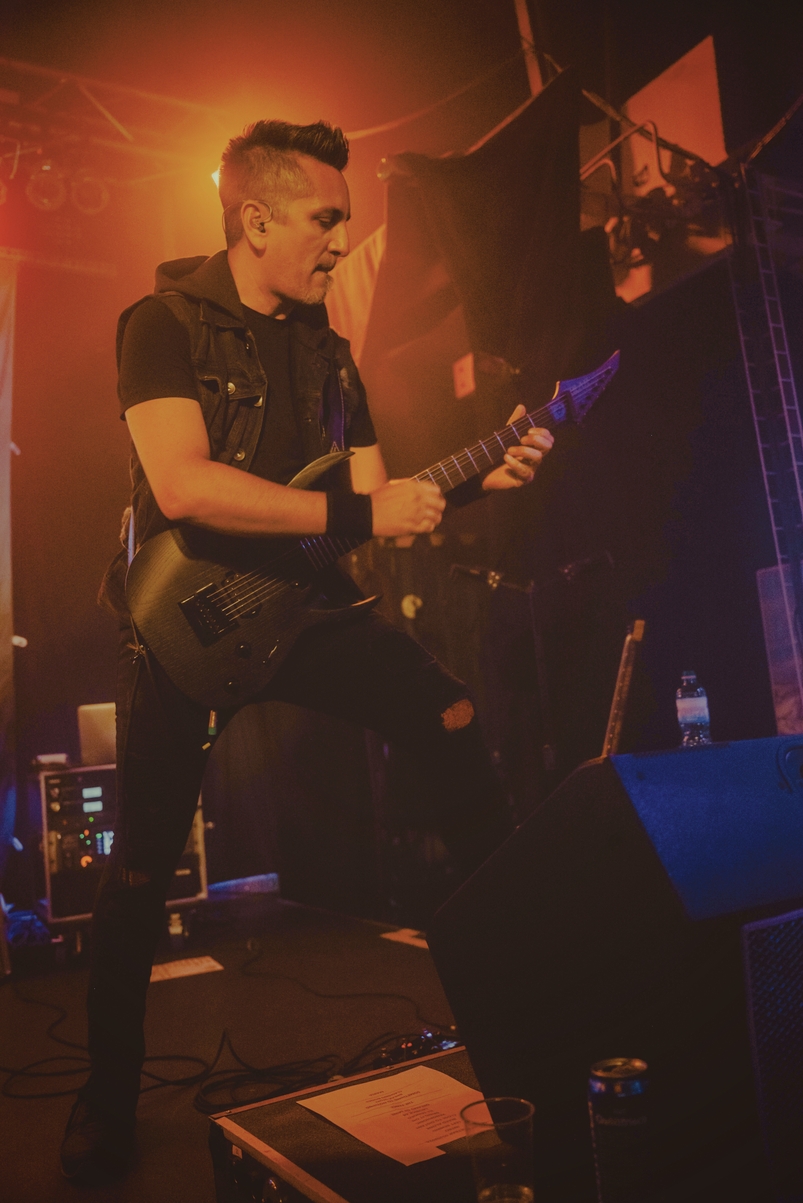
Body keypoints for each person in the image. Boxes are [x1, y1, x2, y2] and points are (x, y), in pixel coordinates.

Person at [60, 119, 554, 1185]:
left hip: (310, 611)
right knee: (140, 871)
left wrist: (477, 477)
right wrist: (368, 514)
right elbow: (185, 485)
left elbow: (372, 495)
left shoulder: (329, 346)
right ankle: (105, 1097)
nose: (341, 239)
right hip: (189, 624)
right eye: (326, 218)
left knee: (451, 719)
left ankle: (527, 1027)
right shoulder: (160, 323)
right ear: (255, 218)